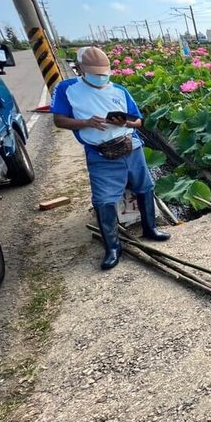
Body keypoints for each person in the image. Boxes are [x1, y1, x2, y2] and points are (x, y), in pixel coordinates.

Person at [50, 46, 170, 270]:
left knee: (145, 187)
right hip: (100, 152)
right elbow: (59, 120)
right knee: (104, 200)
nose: (101, 77)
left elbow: (138, 121)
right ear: (81, 69)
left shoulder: (119, 90)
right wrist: (87, 122)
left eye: (104, 73)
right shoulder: (68, 89)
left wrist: (124, 122)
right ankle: (113, 248)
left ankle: (150, 229)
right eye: (96, 73)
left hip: (130, 146)